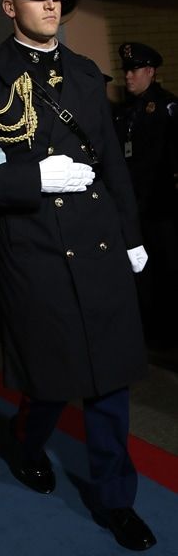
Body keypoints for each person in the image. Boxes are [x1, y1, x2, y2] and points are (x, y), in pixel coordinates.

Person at [0, 0, 156, 551]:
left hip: (99, 243)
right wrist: (31, 180)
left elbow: (113, 164)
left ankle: (117, 499)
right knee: (52, 380)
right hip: (33, 251)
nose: (52, 3)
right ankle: (27, 440)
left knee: (110, 383)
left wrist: (133, 238)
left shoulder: (86, 74)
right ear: (10, 6)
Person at [113, 42, 178, 346]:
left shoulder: (166, 108)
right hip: (136, 210)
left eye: (134, 70)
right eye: (126, 69)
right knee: (144, 274)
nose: (128, 76)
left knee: (168, 268)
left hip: (161, 208)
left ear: (150, 72)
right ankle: (152, 330)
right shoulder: (127, 112)